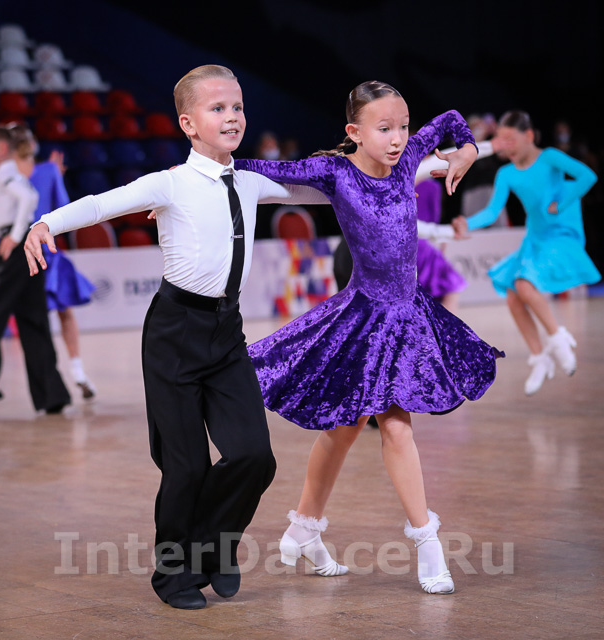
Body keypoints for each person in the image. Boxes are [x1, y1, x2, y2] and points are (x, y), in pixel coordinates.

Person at [24, 64, 330, 610]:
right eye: (218, 108)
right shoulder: (169, 183)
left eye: (237, 107)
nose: (232, 117)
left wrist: (413, 169)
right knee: (185, 466)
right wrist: (46, 222)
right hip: (174, 333)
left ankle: (214, 547)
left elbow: (330, 190)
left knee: (255, 457)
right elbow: (102, 203)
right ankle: (173, 576)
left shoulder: (253, 181)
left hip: (227, 332)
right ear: (188, 123)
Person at [235, 81, 503, 595]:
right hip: (364, 317)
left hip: (408, 315)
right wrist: (189, 186)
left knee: (367, 426)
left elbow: (450, 119)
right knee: (364, 426)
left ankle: (307, 529)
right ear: (354, 132)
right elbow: (253, 168)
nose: (398, 138)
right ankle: (418, 541)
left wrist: (467, 149)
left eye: (403, 126)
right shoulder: (335, 172)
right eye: (384, 129)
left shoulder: (407, 161)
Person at [455, 110, 599, 396]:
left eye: (511, 139)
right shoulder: (506, 173)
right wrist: (465, 223)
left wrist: (562, 202)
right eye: (502, 139)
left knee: (524, 284)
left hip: (561, 235)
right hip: (536, 238)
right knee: (512, 294)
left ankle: (558, 339)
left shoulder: (550, 157)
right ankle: (539, 356)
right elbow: (492, 212)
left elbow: (587, 176)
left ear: (529, 136)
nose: (506, 145)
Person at [0, 125, 97, 399]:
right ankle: (69, 380)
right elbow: (62, 208)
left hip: (30, 248)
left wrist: (13, 235)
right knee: (48, 315)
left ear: (5, 146)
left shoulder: (13, 173)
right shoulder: (33, 172)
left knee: (26, 315)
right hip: (41, 249)